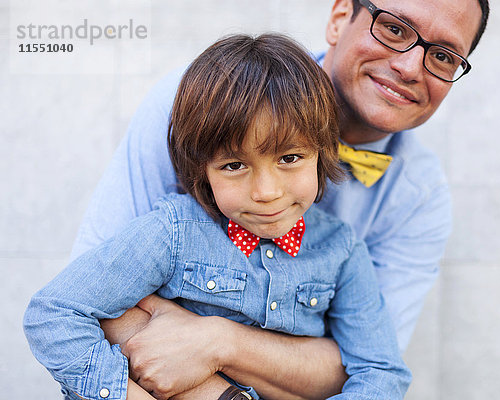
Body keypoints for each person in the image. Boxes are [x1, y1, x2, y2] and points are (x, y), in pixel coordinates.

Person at [70, 0, 490, 398]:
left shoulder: (419, 197)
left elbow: (366, 365)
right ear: (340, 17)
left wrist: (219, 341)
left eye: (444, 56)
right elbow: (96, 302)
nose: (409, 66)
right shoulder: (197, 104)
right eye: (394, 29)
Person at [23, 34, 410, 400]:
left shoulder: (341, 250)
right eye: (234, 165)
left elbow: (381, 372)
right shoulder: (172, 231)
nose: (266, 192)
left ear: (323, 153)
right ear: (201, 170)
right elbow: (55, 313)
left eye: (289, 159)